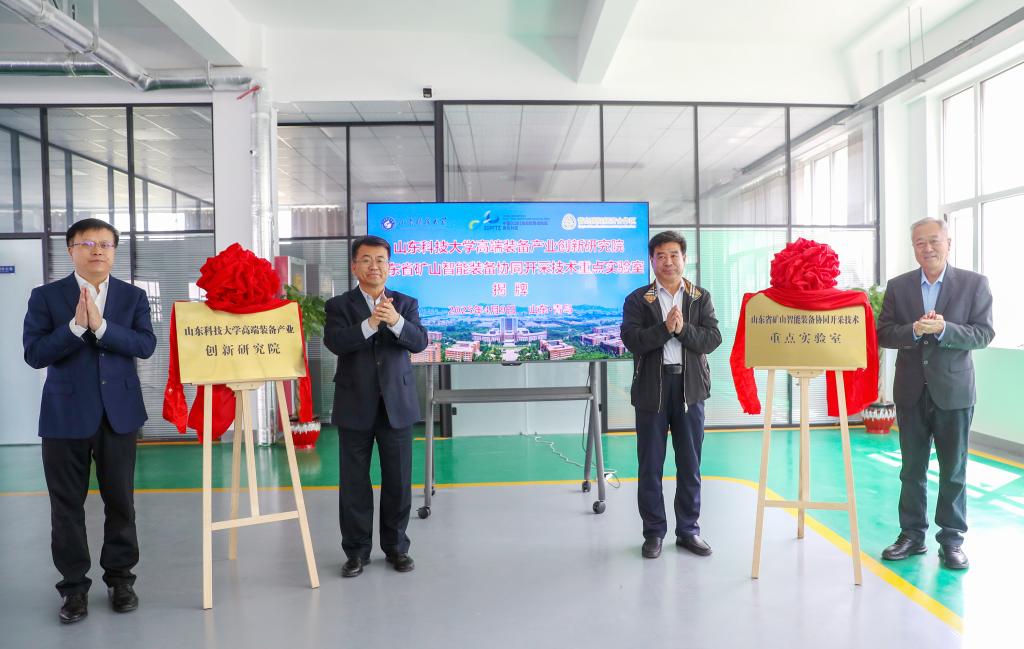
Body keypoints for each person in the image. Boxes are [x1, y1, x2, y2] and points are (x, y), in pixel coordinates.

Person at [23, 218, 156, 623]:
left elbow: (145, 345)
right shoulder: (46, 297)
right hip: (65, 415)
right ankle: (73, 588)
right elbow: (35, 354)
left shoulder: (133, 297)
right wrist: (75, 328)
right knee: (66, 506)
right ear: (71, 250)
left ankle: (121, 580)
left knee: (121, 502)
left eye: (105, 244)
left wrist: (102, 327)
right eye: (87, 243)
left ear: (114, 251)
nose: (97, 250)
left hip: (119, 415)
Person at [877, 217, 994, 570]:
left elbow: (983, 333)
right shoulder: (899, 286)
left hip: (954, 392)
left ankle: (952, 540)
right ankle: (912, 535)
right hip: (911, 391)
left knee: (953, 470)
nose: (927, 248)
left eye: (933, 241)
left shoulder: (974, 284)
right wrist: (913, 330)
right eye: (919, 243)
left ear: (948, 243)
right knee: (911, 469)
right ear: (913, 248)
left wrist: (944, 329)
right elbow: (883, 333)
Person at [324, 235, 428, 577]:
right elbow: (335, 342)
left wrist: (395, 321)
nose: (374, 266)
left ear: (389, 266)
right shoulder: (339, 305)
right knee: (354, 483)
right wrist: (369, 325)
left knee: (398, 481)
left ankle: (397, 548)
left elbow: (419, 341)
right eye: (366, 260)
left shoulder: (405, 304)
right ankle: (356, 552)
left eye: (380, 260)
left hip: (396, 405)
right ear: (355, 266)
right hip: (354, 403)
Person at [621, 230, 722, 559]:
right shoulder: (638, 299)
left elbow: (712, 339)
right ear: (652, 261)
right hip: (652, 390)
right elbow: (632, 341)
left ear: (684, 258)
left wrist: (682, 329)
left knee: (690, 464)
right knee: (650, 465)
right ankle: (653, 532)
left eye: (674, 255)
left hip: (690, 390)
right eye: (661, 256)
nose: (668, 261)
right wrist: (665, 329)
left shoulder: (699, 297)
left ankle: (688, 530)